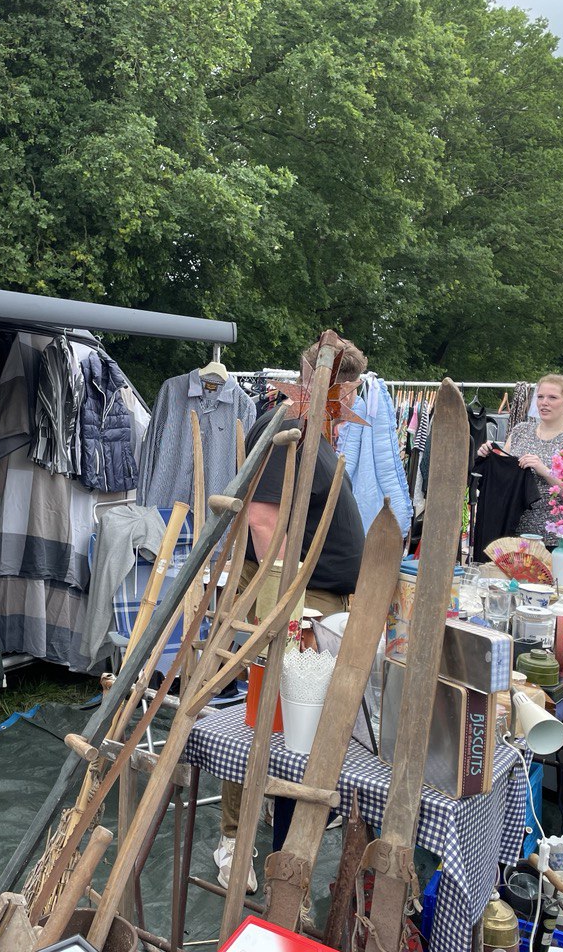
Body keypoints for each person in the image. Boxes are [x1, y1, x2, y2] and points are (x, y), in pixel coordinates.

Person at [214, 333, 367, 894]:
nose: (351, 409)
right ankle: (234, 840)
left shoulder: (315, 429)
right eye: (347, 394)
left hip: (319, 594)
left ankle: (279, 828)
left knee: (292, 720)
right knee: (263, 716)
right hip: (291, 591)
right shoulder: (289, 422)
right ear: (331, 386)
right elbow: (262, 522)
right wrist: (288, 602)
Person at [476, 373, 563, 544]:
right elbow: (504, 473)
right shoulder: (520, 431)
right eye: (540, 397)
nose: (544, 402)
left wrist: (545, 471)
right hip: (511, 532)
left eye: (552, 397)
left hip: (554, 540)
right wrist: (488, 455)